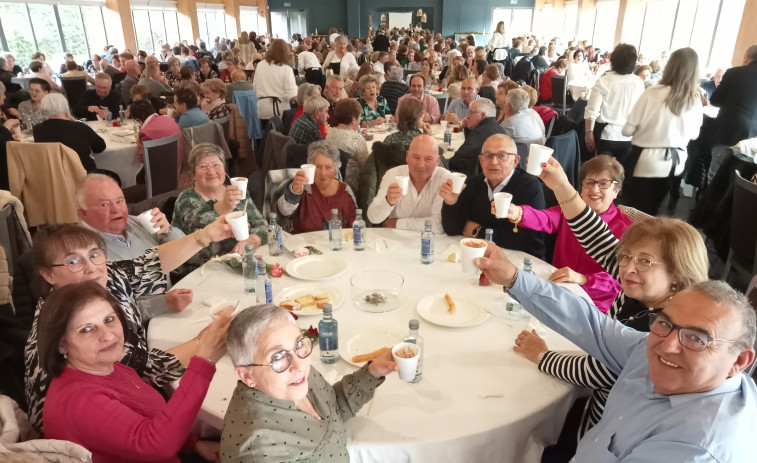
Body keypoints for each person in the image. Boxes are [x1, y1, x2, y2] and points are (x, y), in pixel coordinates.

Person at [510, 155, 709, 444]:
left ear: (677, 274)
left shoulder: (662, 330)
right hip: (603, 409)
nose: (628, 268)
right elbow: (600, 240)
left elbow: (597, 371)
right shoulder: (651, 287)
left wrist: (541, 356)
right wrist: (563, 187)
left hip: (613, 429)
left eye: (644, 260)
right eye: (627, 256)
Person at [24, 216, 236, 435]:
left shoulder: (105, 277)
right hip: (89, 440)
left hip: (138, 413)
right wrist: (207, 340)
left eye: (95, 254)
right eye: (73, 261)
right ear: (48, 274)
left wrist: (206, 235)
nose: (91, 268)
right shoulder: (69, 329)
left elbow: (150, 264)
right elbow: (149, 370)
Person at [40, 281, 229, 463]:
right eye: (87, 329)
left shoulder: (104, 365)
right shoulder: (79, 401)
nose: (107, 335)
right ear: (61, 345)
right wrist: (205, 359)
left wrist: (192, 443)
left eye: (109, 319)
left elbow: (140, 419)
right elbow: (155, 444)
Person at [221, 304, 397, 461]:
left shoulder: (298, 376)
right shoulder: (260, 451)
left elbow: (333, 409)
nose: (299, 365)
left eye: (298, 344)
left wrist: (373, 372)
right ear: (247, 376)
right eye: (277, 357)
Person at [498, 155, 631, 312]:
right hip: (557, 290)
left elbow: (621, 279)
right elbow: (546, 218)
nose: (595, 189)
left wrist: (582, 279)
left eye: (603, 184)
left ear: (616, 191)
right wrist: (518, 212)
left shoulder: (628, 230)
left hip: (594, 305)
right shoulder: (568, 212)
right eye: (589, 182)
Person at [620, 47, 703, 215]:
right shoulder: (694, 99)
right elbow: (694, 134)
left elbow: (627, 130)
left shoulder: (652, 92)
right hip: (675, 163)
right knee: (656, 213)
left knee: (635, 212)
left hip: (646, 161)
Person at [442, 133, 545, 258]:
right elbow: (451, 228)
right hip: (479, 256)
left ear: (515, 161)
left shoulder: (530, 187)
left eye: (502, 156)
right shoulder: (472, 184)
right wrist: (451, 203)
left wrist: (477, 231)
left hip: (524, 261)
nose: (494, 162)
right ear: (481, 160)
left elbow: (521, 240)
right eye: (488, 155)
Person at [172, 143, 267, 273]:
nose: (211, 171)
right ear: (193, 174)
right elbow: (198, 223)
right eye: (204, 166)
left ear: (224, 168)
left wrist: (250, 241)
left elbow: (262, 225)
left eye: (216, 165)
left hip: (238, 267)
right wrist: (224, 206)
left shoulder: (236, 192)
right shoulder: (186, 199)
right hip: (200, 273)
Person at [367, 134, 451, 232]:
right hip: (395, 242)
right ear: (407, 156)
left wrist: (396, 223)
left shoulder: (444, 179)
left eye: (428, 159)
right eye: (416, 157)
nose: (421, 165)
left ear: (437, 161)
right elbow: (373, 217)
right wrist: (388, 201)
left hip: (428, 242)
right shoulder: (393, 174)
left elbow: (439, 225)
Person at [276, 141, 357, 233]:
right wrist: (293, 193)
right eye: (318, 167)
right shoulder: (302, 187)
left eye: (328, 167)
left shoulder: (345, 191)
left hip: (337, 244)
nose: (323, 173)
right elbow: (283, 212)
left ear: (336, 169)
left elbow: (355, 227)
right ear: (310, 166)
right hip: (303, 245)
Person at [585, 43, 645, 159]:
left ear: (613, 60)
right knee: (621, 174)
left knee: (604, 174)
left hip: (606, 135)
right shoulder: (638, 82)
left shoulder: (604, 80)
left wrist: (588, 132)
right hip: (629, 136)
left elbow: (592, 111)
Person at [707, 44, 757, 182]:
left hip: (728, 133)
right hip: (752, 140)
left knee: (715, 177)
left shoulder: (734, 73)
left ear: (746, 57)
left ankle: (708, 203)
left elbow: (716, 100)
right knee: (741, 181)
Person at [33, 94, 106, 173]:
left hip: (55, 176)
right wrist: (73, 121)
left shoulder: (37, 129)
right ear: (66, 110)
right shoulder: (79, 127)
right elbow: (100, 147)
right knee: (114, 177)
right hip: (84, 176)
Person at [449, 99, 507, 177]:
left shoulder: (479, 133)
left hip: (478, 181)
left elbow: (456, 162)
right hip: (499, 176)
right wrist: (467, 129)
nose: (467, 116)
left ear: (482, 115)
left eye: (471, 112)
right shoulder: (499, 128)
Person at [325, 98, 369, 193]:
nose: (360, 120)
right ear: (353, 119)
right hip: (350, 188)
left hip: (331, 182)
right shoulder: (357, 139)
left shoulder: (330, 132)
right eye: (360, 117)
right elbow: (366, 167)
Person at [254, 39, 298, 121]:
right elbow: (291, 94)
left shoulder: (260, 65)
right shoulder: (286, 68)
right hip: (280, 109)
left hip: (263, 108)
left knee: (266, 133)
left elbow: (255, 87)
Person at [130, 99, 182, 164]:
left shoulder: (145, 132)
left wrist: (139, 144)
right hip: (178, 166)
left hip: (159, 171)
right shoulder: (170, 120)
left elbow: (143, 159)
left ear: (137, 120)